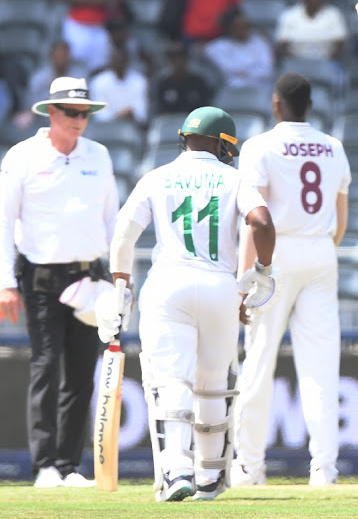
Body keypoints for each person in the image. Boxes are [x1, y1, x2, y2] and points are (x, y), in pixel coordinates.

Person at [94, 106, 276, 502]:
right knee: (214, 386)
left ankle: (177, 471)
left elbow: (124, 232)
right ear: (223, 144)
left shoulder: (156, 177)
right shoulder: (235, 177)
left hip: (168, 283)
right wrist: (261, 271)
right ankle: (210, 479)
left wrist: (120, 286)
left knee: (170, 380)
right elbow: (261, 222)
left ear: (184, 138)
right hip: (219, 287)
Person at [232, 73, 351, 486]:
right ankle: (324, 468)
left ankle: (249, 466)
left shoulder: (259, 147)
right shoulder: (333, 147)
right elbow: (341, 220)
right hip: (320, 252)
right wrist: (320, 247)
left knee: (259, 361)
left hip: (275, 256)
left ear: (276, 103)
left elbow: (255, 220)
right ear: (309, 104)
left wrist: (245, 282)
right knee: (321, 366)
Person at [0, 76, 118, 488]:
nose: (78, 120)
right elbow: (3, 220)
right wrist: (4, 282)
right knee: (46, 364)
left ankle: (68, 465)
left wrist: (118, 275)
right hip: (40, 277)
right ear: (50, 112)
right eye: (71, 112)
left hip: (88, 277)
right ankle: (44, 464)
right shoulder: (23, 156)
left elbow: (112, 218)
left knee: (83, 371)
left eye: (84, 113)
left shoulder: (98, 155)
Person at [53, 0, 128, 74]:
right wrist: (94, 1)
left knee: (102, 66)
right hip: (78, 25)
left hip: (103, 26)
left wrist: (113, 1)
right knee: (77, 65)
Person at [275, 0, 348, 64]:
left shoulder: (334, 14)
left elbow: (340, 43)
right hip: (296, 63)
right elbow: (282, 45)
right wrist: (298, 63)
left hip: (327, 63)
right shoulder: (289, 15)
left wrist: (326, 62)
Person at [203, 7, 274, 90]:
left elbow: (267, 70)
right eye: (239, 27)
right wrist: (250, 71)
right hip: (231, 90)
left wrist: (244, 74)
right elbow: (225, 70)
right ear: (230, 28)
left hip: (260, 89)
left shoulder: (260, 42)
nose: (244, 30)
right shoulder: (216, 47)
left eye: (247, 26)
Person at [89, 47, 149, 126]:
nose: (119, 64)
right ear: (111, 61)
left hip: (133, 127)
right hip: (105, 128)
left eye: (122, 61)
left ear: (128, 62)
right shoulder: (98, 82)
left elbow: (142, 113)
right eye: (116, 60)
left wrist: (130, 113)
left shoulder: (140, 81)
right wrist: (118, 116)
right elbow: (99, 114)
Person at [153, 41, 214, 116]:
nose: (178, 62)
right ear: (168, 61)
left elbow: (205, 108)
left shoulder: (198, 82)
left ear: (187, 59)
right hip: (170, 124)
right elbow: (158, 111)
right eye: (173, 59)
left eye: (181, 58)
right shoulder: (162, 84)